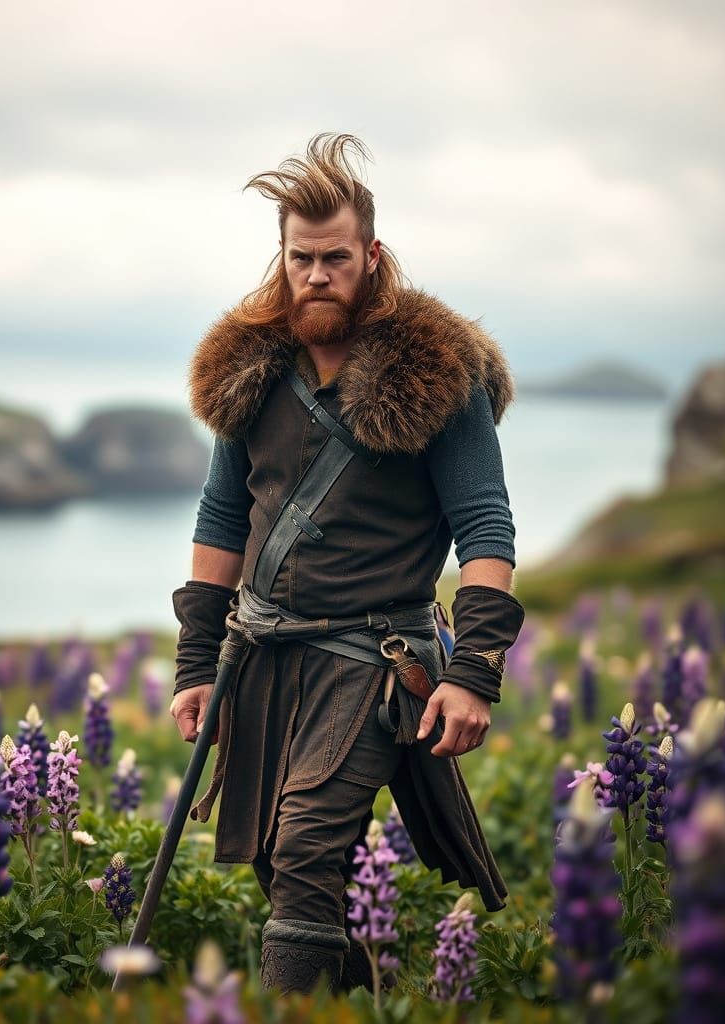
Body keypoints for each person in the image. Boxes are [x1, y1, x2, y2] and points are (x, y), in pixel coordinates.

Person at [169, 133, 525, 995]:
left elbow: (485, 525)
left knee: (305, 847)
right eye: (302, 258)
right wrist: (194, 662)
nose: (318, 274)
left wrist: (473, 670)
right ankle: (363, 1003)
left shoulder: (440, 377)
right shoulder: (251, 371)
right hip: (262, 653)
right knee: (276, 864)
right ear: (282, 258)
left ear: (371, 256)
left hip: (374, 659)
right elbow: (222, 516)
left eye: (336, 257)